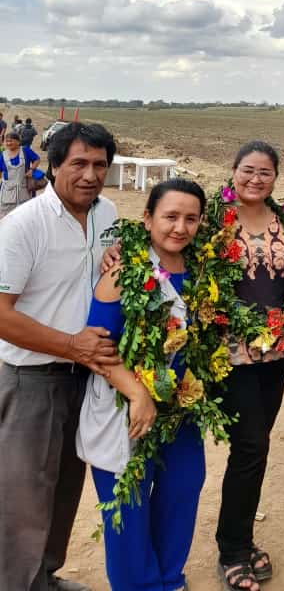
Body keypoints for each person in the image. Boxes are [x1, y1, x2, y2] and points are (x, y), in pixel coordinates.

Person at [0, 122, 119, 591]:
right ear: (53, 165)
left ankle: (45, 577)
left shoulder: (108, 214)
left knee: (67, 485)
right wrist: (71, 345)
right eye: (79, 164)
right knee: (24, 496)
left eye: (99, 165)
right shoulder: (24, 225)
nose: (90, 175)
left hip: (85, 377)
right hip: (32, 378)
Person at [82, 179, 208, 591]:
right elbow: (98, 349)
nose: (180, 227)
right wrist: (138, 393)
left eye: (191, 219)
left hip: (181, 413)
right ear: (148, 218)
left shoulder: (203, 270)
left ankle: (169, 581)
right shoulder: (124, 273)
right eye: (170, 216)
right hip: (126, 413)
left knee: (181, 493)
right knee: (129, 511)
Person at [216, 142, 284, 591]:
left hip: (277, 352)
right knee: (249, 446)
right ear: (233, 171)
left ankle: (241, 539)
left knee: (256, 446)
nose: (255, 179)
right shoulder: (214, 220)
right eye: (248, 170)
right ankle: (232, 549)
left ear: (275, 178)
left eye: (265, 172)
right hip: (232, 354)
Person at [0, 129, 42, 218]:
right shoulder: (3, 155)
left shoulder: (25, 150)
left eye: (11, 141)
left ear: (18, 142)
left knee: (25, 215)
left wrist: (31, 169)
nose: (8, 143)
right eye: (7, 141)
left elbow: (37, 159)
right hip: (8, 192)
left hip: (25, 190)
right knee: (7, 217)